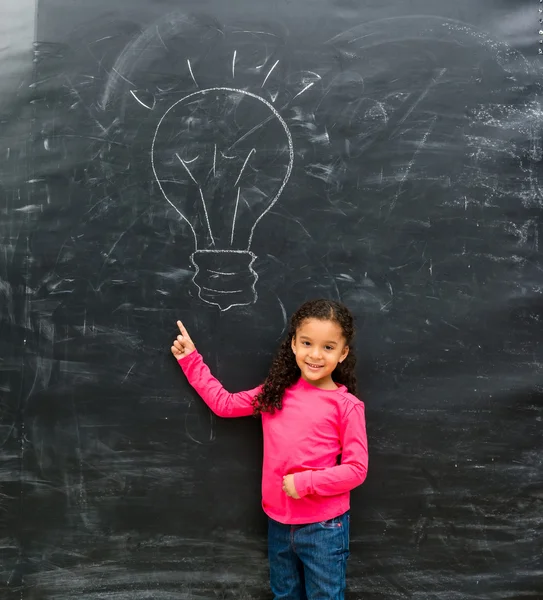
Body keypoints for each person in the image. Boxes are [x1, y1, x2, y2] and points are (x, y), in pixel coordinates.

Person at [171, 298, 368, 600]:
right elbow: (224, 405)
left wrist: (306, 483)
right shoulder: (274, 394)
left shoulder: (347, 406)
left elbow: (356, 470)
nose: (315, 355)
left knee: (325, 597)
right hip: (278, 521)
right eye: (306, 343)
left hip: (324, 528)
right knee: (284, 595)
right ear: (293, 344)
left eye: (328, 347)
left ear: (343, 353)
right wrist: (191, 360)